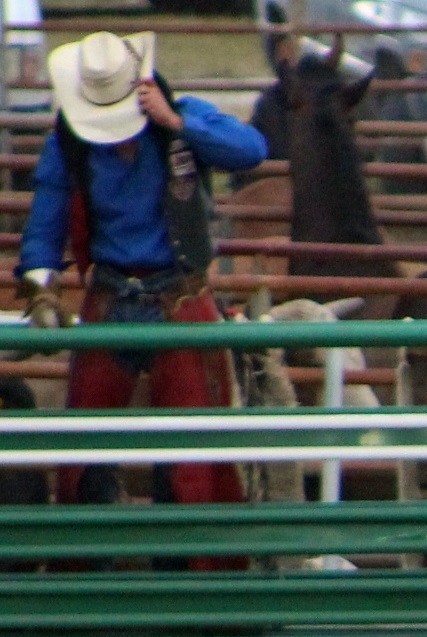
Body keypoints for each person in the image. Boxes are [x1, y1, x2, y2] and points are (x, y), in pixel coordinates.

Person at [16, 31, 269, 507]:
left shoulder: (183, 116)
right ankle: (88, 568)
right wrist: (40, 283)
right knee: (84, 459)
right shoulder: (70, 142)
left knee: (190, 460)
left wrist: (176, 121)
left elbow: (253, 150)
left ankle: (185, 570)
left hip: (178, 295)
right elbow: (46, 218)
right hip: (114, 296)